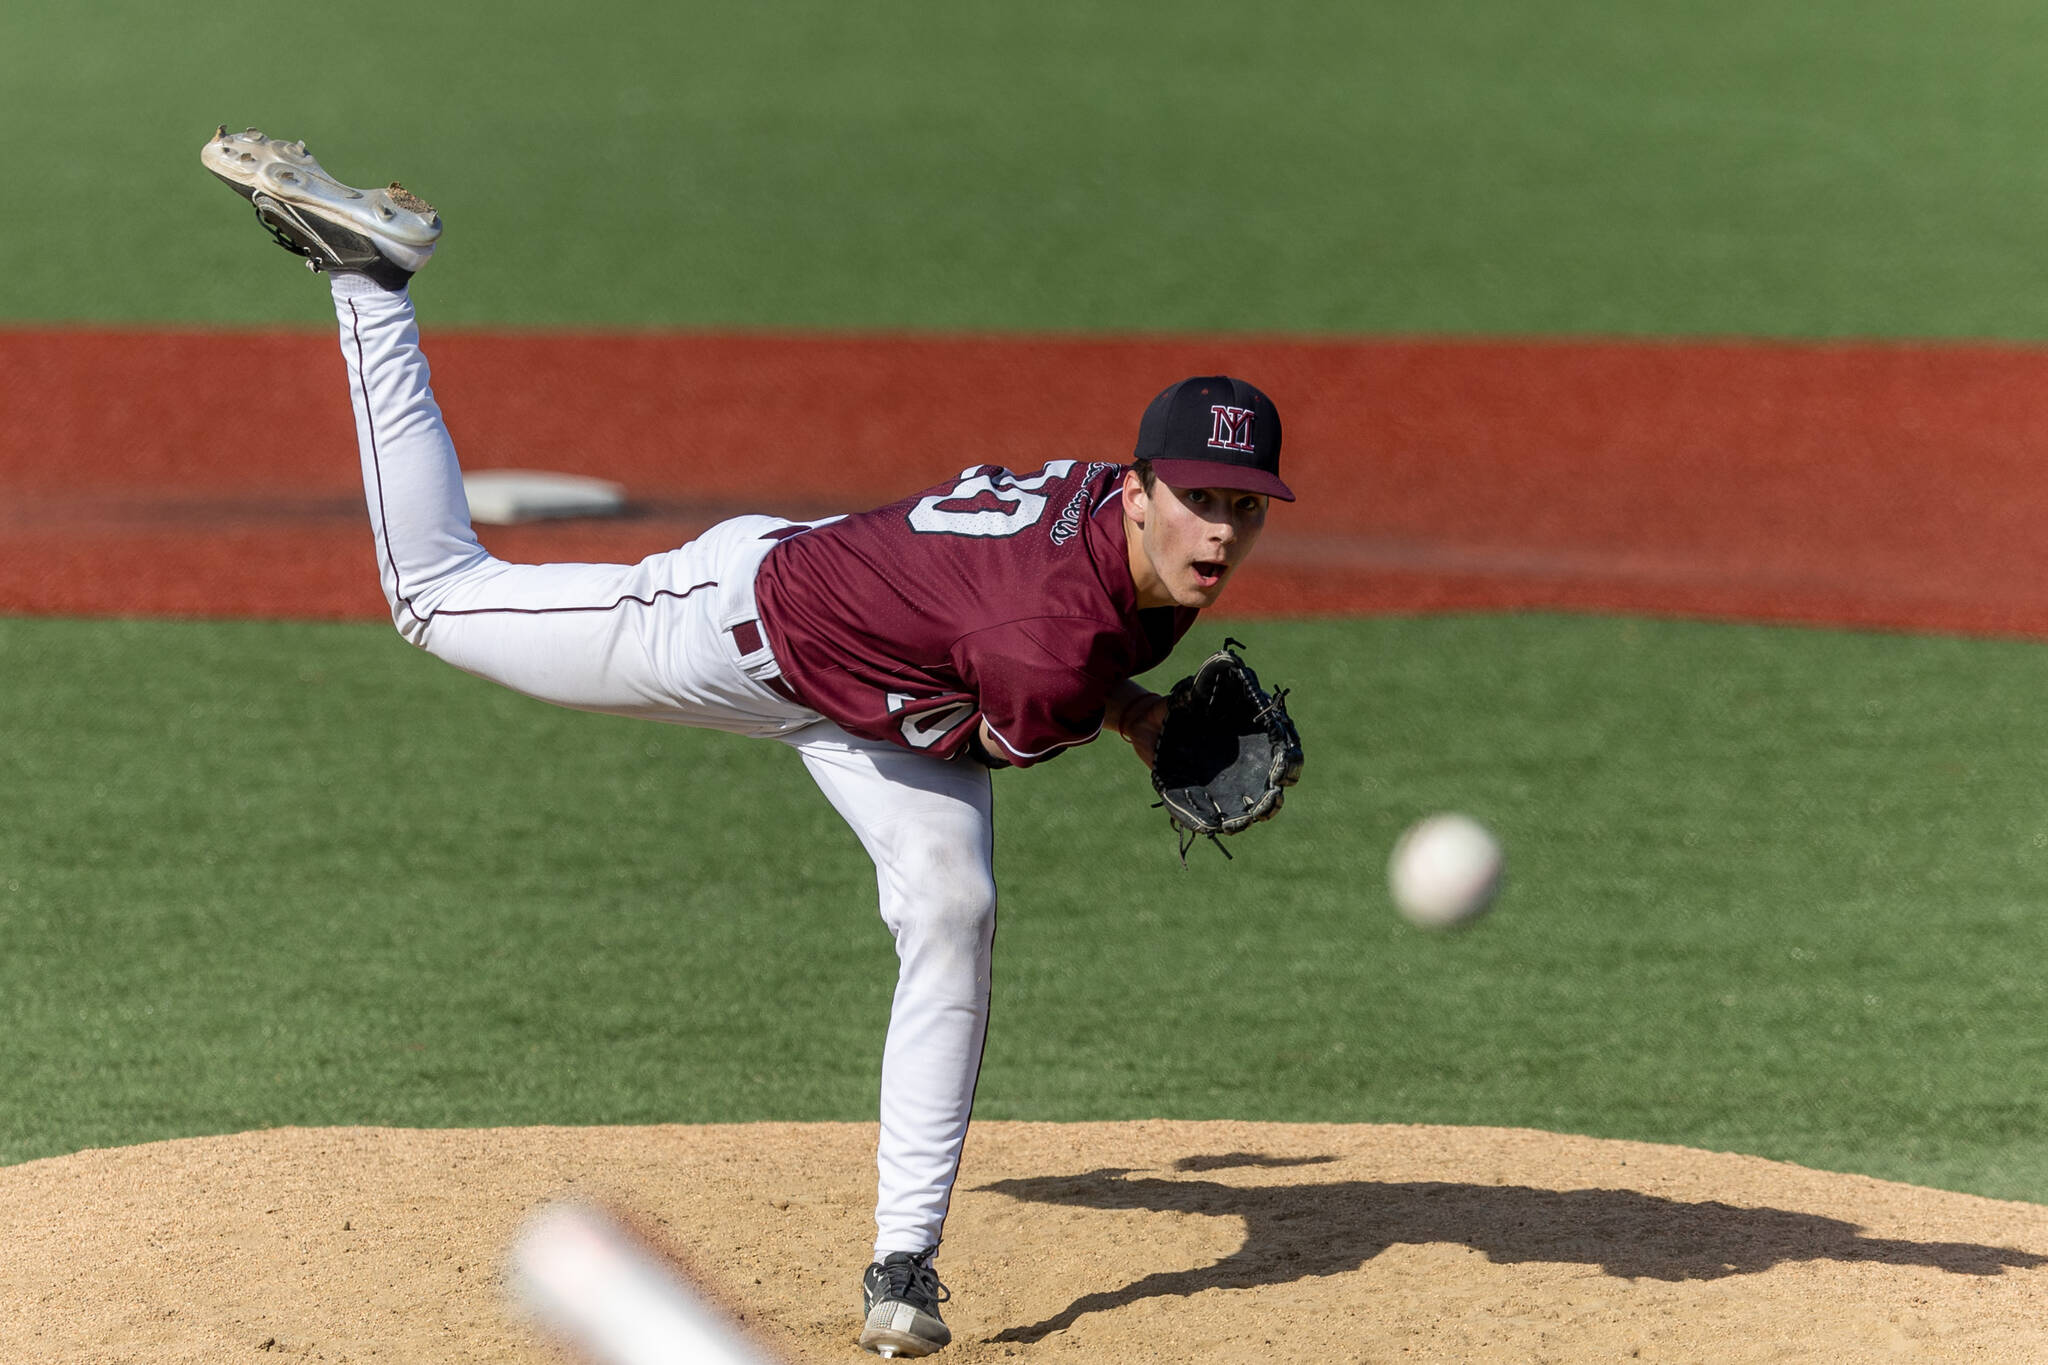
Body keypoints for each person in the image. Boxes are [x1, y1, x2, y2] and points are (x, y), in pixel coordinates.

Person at [202, 126, 1293, 1359]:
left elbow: (1012, 662)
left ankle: (903, 1267)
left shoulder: (1104, 531)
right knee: (433, 597)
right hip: (730, 628)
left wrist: (1137, 711)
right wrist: (1139, 720)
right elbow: (1016, 692)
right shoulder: (1049, 636)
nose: (1217, 533)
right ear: (1142, 488)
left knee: (951, 906)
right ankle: (370, 281)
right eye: (1197, 500)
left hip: (886, 680)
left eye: (1240, 510)